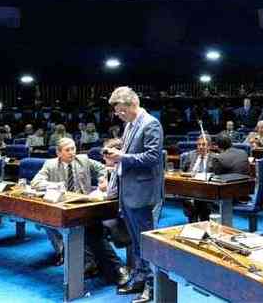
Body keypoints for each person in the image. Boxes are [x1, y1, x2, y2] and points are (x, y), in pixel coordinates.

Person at [30, 138, 127, 286]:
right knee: (50, 222)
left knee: (91, 230)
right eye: (67, 150)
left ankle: (97, 264)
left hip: (84, 205)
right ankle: (80, 259)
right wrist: (54, 184)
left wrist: (102, 178)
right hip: (63, 206)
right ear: (58, 152)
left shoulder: (84, 160)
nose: (72, 153)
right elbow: (35, 182)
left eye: (73, 149)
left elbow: (101, 168)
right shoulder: (50, 165)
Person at [105, 87, 164, 303]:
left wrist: (122, 157)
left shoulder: (151, 124)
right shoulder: (130, 124)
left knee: (145, 241)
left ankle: (152, 286)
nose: (119, 115)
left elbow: (152, 157)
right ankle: (139, 279)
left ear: (132, 105)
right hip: (128, 191)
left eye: (121, 111)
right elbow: (130, 154)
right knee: (135, 241)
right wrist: (118, 157)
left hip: (142, 192)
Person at [180, 135, 214, 222]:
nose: (201, 147)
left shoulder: (214, 158)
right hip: (191, 188)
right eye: (199, 145)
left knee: (201, 203)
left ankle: (201, 221)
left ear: (209, 146)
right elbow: (181, 172)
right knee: (193, 202)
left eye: (203, 145)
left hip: (207, 190)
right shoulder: (190, 155)